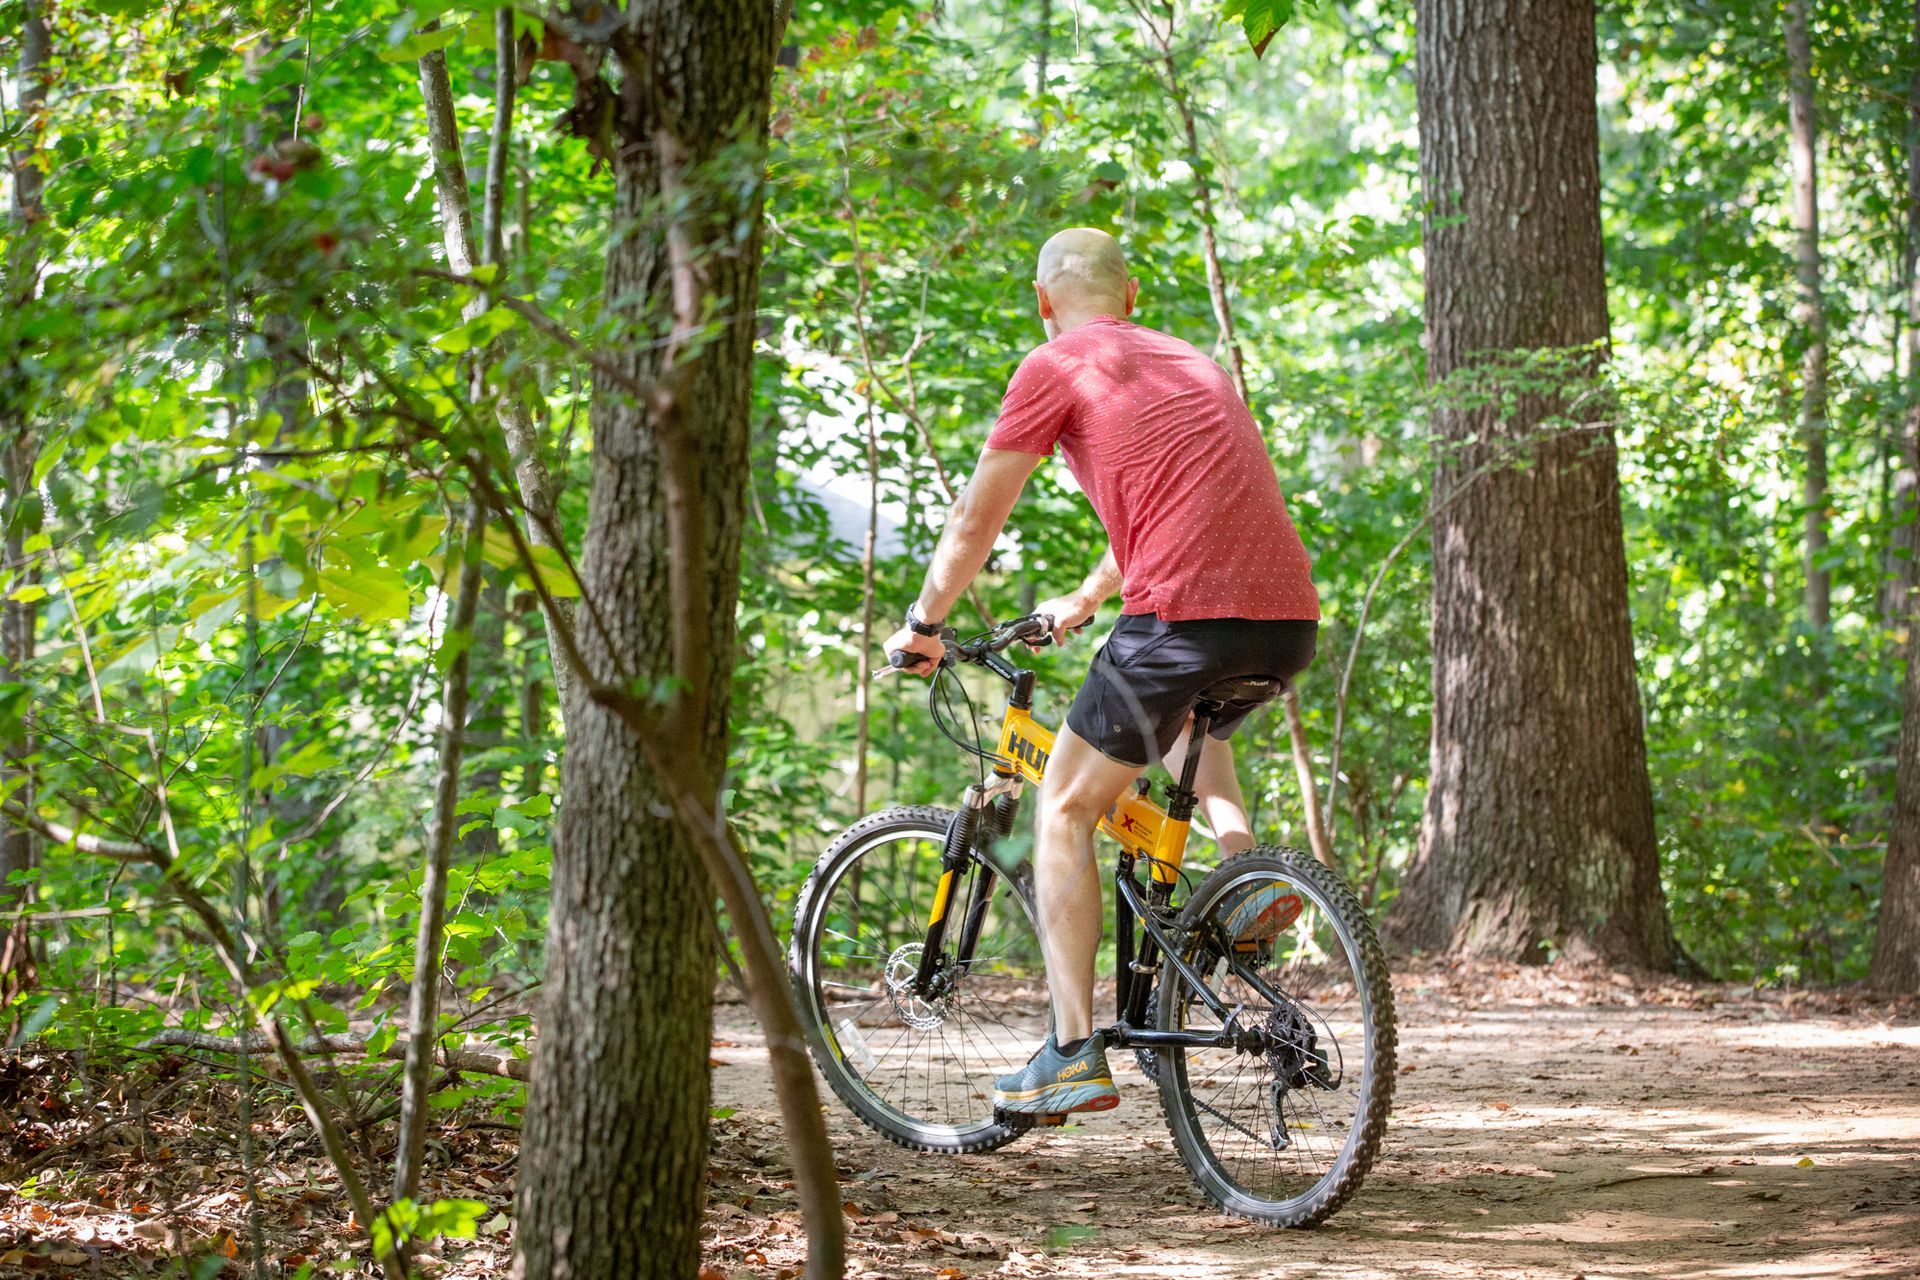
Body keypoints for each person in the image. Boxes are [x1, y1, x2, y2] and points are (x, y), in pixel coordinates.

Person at [881, 227, 1321, 1117]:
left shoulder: (1055, 364)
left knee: (1065, 807)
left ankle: (1074, 1049)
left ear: (1044, 301)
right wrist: (1083, 601)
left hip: (1182, 622)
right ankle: (1249, 875)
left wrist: (926, 622)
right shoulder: (1191, 363)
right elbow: (1194, 515)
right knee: (1194, 728)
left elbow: (976, 517)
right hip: (1283, 622)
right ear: (1131, 298)